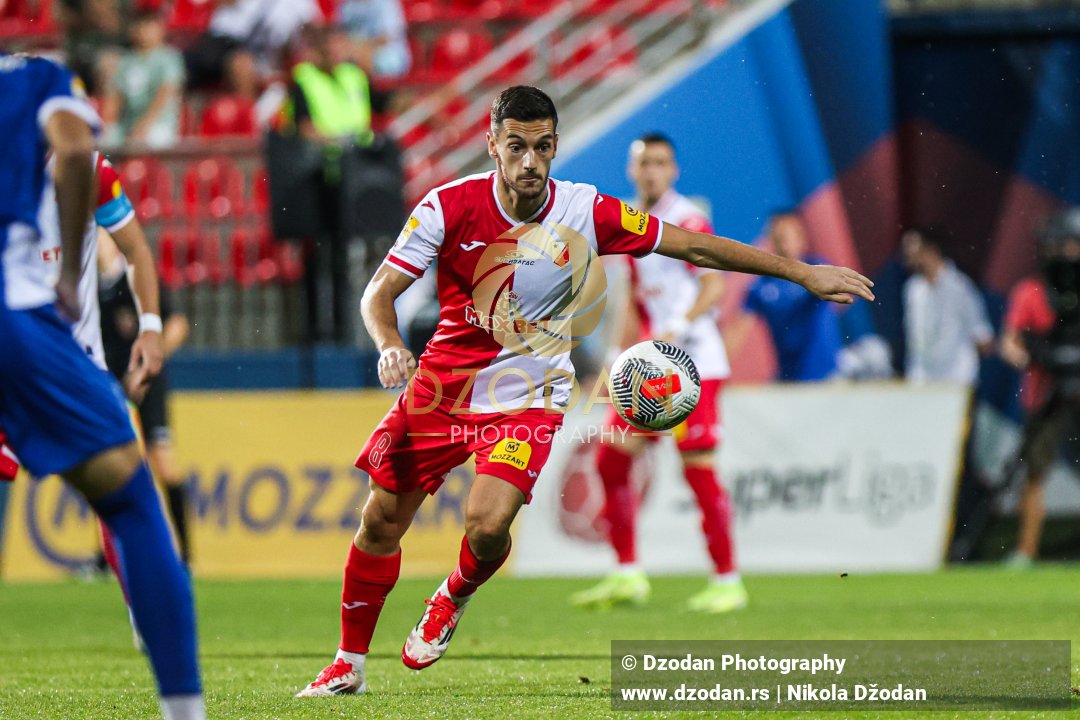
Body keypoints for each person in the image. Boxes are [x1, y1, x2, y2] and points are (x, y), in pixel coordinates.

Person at [294, 86, 874, 696]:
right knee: (381, 521)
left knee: (487, 526)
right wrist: (389, 344)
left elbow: (696, 246)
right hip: (442, 387)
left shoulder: (586, 210)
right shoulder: (447, 206)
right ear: (493, 144)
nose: (529, 162)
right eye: (515, 146)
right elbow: (376, 294)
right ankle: (347, 665)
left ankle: (455, 591)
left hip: (529, 393)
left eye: (542, 147)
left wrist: (803, 272)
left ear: (554, 146)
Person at [0, 52, 203, 719]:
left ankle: (140, 615)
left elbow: (139, 252)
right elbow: (73, 142)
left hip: (70, 351)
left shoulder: (100, 175)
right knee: (127, 498)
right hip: (34, 337)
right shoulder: (38, 79)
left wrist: (149, 324)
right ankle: (181, 701)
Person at [570, 133, 745, 613]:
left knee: (699, 470)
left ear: (675, 171)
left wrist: (680, 325)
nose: (652, 170)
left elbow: (714, 285)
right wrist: (615, 357)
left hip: (695, 367)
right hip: (650, 369)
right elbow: (634, 299)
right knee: (611, 460)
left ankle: (728, 581)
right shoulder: (633, 225)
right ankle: (627, 574)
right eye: (644, 162)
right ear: (632, 170)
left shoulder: (688, 219)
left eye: (661, 162)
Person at [99, 232, 193, 563]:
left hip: (147, 386)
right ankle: (107, 556)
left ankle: (184, 555)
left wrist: (150, 362)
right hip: (112, 388)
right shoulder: (91, 287)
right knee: (110, 468)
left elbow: (177, 324)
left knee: (163, 463)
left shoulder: (135, 278)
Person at [1000, 209, 1080, 567]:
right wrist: (1033, 356)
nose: (1064, 252)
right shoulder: (1031, 291)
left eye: (1070, 244)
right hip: (1045, 390)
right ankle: (1026, 550)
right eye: (1060, 244)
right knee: (1035, 471)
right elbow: (1012, 342)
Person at [729, 211, 844, 381]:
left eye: (786, 236)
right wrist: (713, 369)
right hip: (788, 379)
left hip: (827, 378)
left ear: (801, 239)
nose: (782, 244)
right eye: (776, 237)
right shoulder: (761, 285)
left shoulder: (820, 269)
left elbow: (842, 293)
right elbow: (738, 331)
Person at [901, 226, 993, 384]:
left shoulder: (960, 286)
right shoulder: (912, 290)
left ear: (931, 251)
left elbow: (983, 337)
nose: (908, 255)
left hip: (956, 380)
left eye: (914, 249)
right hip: (921, 381)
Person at [101, 7, 185, 148]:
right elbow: (116, 97)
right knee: (105, 140)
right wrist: (108, 124)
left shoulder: (169, 58)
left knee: (147, 140)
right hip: (128, 123)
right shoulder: (126, 61)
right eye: (141, 26)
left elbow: (165, 94)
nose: (144, 31)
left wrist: (144, 125)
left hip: (159, 123)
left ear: (161, 30)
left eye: (150, 26)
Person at [339, 0, 412, 80]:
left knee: (366, 60)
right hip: (355, 54)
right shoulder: (346, 5)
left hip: (387, 54)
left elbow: (386, 37)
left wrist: (363, 50)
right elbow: (341, 36)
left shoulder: (385, 3)